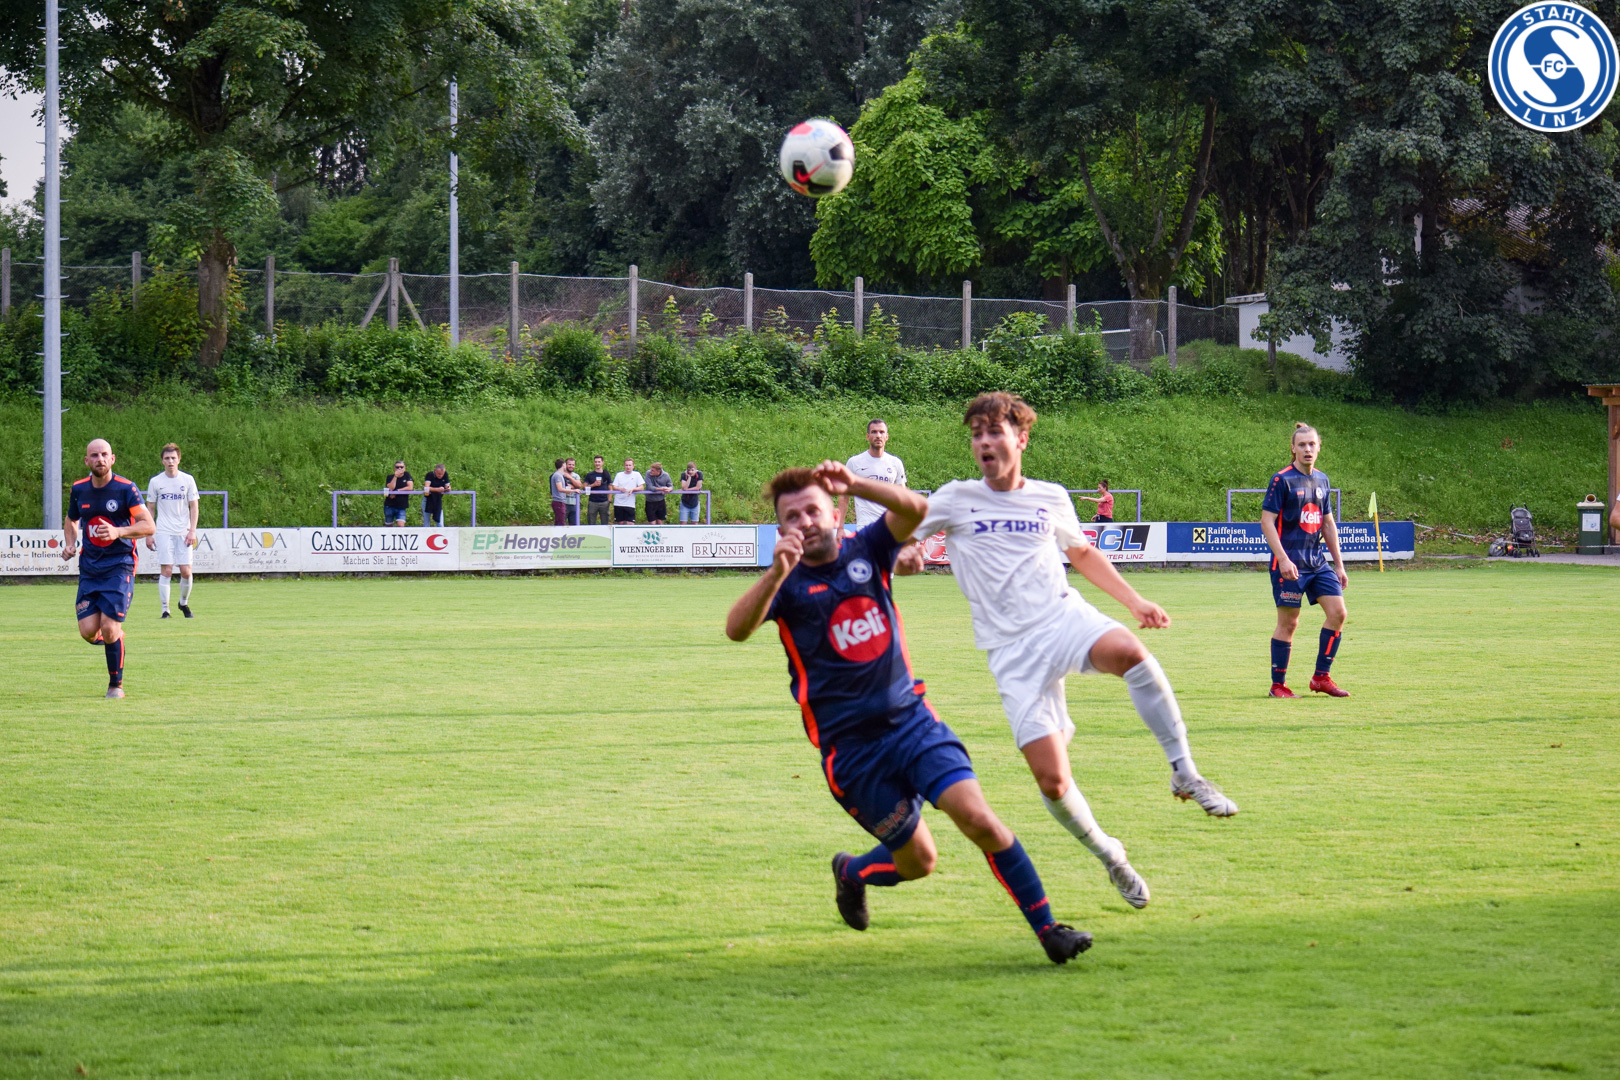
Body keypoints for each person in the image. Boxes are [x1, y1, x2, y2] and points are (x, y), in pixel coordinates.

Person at [725, 461, 1093, 965]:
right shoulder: (786, 585)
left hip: (913, 724)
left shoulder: (867, 549)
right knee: (920, 861)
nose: (805, 522)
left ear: (835, 514)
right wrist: (774, 573)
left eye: (813, 510)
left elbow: (917, 509)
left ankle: (1049, 930)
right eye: (792, 517)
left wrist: (856, 482)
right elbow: (736, 629)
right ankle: (852, 873)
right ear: (781, 529)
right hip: (852, 753)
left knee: (980, 820)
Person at [913, 392, 1238, 910]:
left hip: (1062, 618)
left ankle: (1185, 772)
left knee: (1132, 654)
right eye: (976, 435)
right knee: (1052, 779)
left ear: (1021, 438)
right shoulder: (955, 498)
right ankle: (1111, 855)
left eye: (994, 432)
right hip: (1011, 652)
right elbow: (900, 539)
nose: (984, 442)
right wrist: (907, 552)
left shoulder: (1050, 496)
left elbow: (1082, 552)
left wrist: (1135, 601)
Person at [1260, 423, 1349, 698]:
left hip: (1317, 563)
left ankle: (1321, 677)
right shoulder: (1282, 480)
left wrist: (1339, 564)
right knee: (1290, 623)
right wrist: (1283, 559)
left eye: (1312, 444)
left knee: (1338, 614)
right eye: (1302, 445)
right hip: (1290, 564)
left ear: (1319, 447)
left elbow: (1328, 523)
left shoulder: (1322, 480)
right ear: (1293, 448)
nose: (1307, 449)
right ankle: (1278, 686)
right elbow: (1266, 521)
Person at [62, 439, 155, 698]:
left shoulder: (126, 488)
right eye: (94, 455)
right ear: (87, 461)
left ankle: (116, 686)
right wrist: (70, 543)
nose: (100, 459)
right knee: (88, 632)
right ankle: (114, 637)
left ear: (112, 458)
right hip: (90, 568)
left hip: (119, 566)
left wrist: (118, 531)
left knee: (110, 627)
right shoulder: (79, 489)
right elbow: (71, 519)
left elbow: (148, 525)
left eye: (104, 454)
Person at [144, 443, 200, 619]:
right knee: (166, 570)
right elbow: (150, 508)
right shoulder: (156, 482)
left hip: (183, 531)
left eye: (173, 458)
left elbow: (194, 506)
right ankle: (165, 610)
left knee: (186, 571)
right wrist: (149, 534)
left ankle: (183, 603)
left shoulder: (187, 480)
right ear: (162, 461)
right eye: (167, 458)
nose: (170, 461)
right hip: (163, 530)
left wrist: (192, 530)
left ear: (179, 459)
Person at [839, 419, 907, 530]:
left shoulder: (895, 463)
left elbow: (902, 497)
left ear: (887, 436)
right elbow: (844, 496)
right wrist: (840, 527)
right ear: (868, 436)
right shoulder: (854, 462)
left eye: (881, 432)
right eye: (874, 432)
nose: (878, 436)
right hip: (865, 528)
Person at [611, 458, 645, 525]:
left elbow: (641, 487)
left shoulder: (637, 474)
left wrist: (633, 489)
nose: (628, 467)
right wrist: (620, 489)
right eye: (626, 465)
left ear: (633, 466)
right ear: (624, 466)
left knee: (630, 523)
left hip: (630, 503)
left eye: (630, 465)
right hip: (619, 503)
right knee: (620, 523)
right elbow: (614, 486)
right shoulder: (619, 475)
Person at [583, 456, 612, 526]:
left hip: (604, 502)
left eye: (599, 462)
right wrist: (593, 485)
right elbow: (584, 488)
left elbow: (610, 488)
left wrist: (609, 500)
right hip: (592, 502)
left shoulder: (606, 474)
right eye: (596, 462)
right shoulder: (589, 475)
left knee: (605, 524)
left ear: (602, 463)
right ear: (594, 463)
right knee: (591, 523)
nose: (597, 463)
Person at [383, 461, 413, 526]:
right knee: (389, 526)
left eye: (401, 467)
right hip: (389, 505)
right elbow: (391, 488)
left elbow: (410, 487)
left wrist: (397, 491)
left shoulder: (407, 475)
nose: (399, 468)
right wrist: (395, 477)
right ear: (394, 468)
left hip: (401, 506)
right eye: (397, 467)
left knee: (401, 526)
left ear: (405, 468)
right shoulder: (390, 477)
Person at [550, 458, 571, 527]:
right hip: (559, 501)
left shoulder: (559, 475)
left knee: (559, 521)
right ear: (563, 465)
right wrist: (572, 490)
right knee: (560, 522)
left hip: (561, 501)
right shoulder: (558, 475)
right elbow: (559, 488)